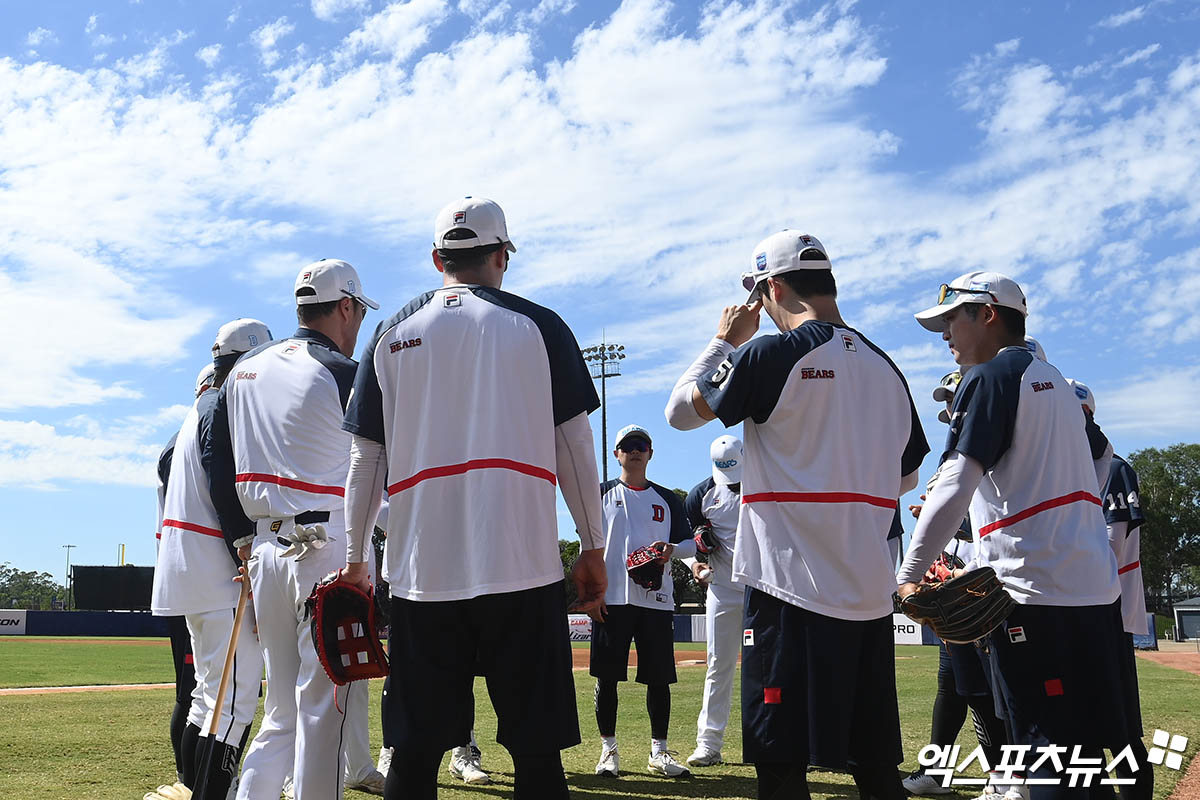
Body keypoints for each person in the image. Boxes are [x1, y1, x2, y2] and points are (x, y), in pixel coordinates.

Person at [339, 196, 607, 800]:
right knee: (537, 752)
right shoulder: (541, 325)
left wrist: (356, 559)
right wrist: (593, 547)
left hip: (420, 575)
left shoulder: (388, 331)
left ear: (437, 258)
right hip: (523, 566)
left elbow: (365, 459)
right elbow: (575, 447)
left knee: (414, 751)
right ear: (502, 255)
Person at [665, 230, 928, 800]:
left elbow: (680, 413)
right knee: (876, 765)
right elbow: (906, 478)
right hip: (867, 592)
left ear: (774, 286)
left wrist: (724, 341)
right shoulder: (888, 368)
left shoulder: (769, 353)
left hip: (787, 592)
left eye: (760, 293)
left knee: (781, 764)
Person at [901, 271, 1137, 799]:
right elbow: (1102, 458)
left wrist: (909, 575)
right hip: (1094, 590)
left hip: (1034, 591)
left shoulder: (992, 377)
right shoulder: (1054, 381)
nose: (945, 335)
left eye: (951, 319)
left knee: (1041, 751)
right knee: (1087, 756)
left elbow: (956, 483)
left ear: (987, 314)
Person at [209, 260, 379, 800]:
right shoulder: (342, 371)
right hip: (328, 549)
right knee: (324, 711)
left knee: (281, 710)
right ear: (346, 306)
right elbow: (380, 468)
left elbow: (219, 465)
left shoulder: (242, 371)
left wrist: (241, 542)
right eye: (357, 313)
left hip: (264, 547)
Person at [151, 321, 272, 800]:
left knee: (207, 699)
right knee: (237, 702)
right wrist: (244, 549)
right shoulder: (224, 406)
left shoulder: (195, 408)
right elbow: (226, 487)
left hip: (186, 571)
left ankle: (193, 789)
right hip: (218, 571)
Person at [901, 369, 1014, 800]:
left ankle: (1007, 778)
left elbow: (990, 519)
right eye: (947, 401)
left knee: (986, 694)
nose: (950, 409)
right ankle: (938, 772)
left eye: (956, 398)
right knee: (953, 689)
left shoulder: (990, 450)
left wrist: (951, 526)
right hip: (955, 592)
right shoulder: (951, 458)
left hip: (982, 593)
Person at [591, 424, 695, 779]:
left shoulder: (668, 498)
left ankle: (660, 753)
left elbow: (690, 544)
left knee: (659, 678)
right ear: (616, 453)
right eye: (628, 445)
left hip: (656, 599)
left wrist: (672, 550)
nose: (635, 451)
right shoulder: (600, 493)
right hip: (612, 599)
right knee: (607, 678)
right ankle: (609, 752)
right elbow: (587, 543)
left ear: (651, 453)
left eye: (642, 445)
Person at [148, 364, 213, 797]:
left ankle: (195, 779)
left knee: (196, 692)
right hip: (191, 577)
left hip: (182, 575)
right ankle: (190, 781)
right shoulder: (187, 440)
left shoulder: (182, 436)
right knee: (192, 693)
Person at [681, 434, 744, 769]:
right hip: (722, 588)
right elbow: (684, 541)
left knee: (777, 666)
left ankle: (783, 743)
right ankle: (708, 744)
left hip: (766, 588)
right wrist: (695, 564)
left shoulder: (768, 483)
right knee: (718, 666)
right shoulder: (699, 495)